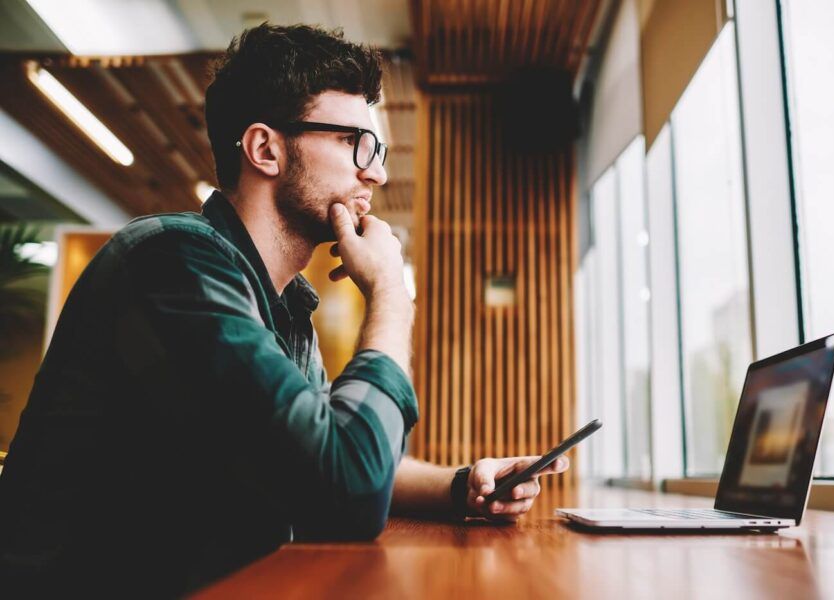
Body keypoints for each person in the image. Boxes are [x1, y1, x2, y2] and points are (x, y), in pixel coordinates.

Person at [0, 23, 568, 596]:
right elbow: (348, 490)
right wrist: (390, 292)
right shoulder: (172, 263)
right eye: (356, 143)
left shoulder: (285, 302)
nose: (377, 172)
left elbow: (328, 449)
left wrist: (463, 484)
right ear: (265, 149)